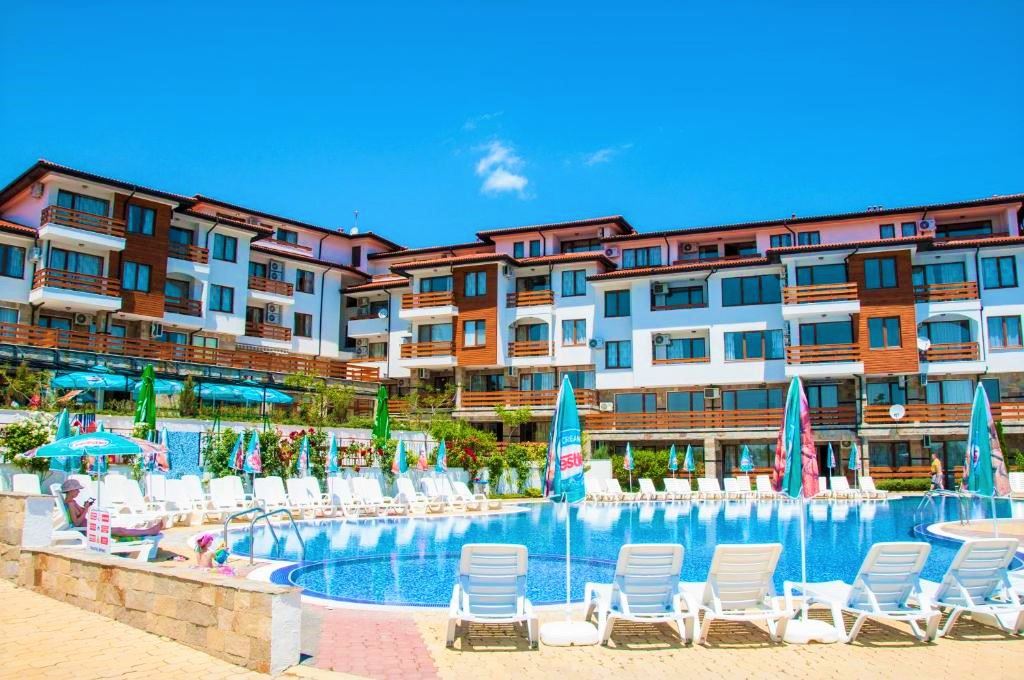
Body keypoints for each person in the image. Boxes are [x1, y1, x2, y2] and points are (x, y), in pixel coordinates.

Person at [61, 479, 163, 537]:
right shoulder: (70, 504)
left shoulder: (72, 502)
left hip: (91, 526)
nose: (79, 492)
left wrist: (86, 506)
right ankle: (149, 531)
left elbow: (80, 515)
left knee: (120, 528)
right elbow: (77, 523)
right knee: (120, 531)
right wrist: (86, 509)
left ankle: (147, 530)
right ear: (70, 491)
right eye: (77, 490)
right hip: (88, 530)